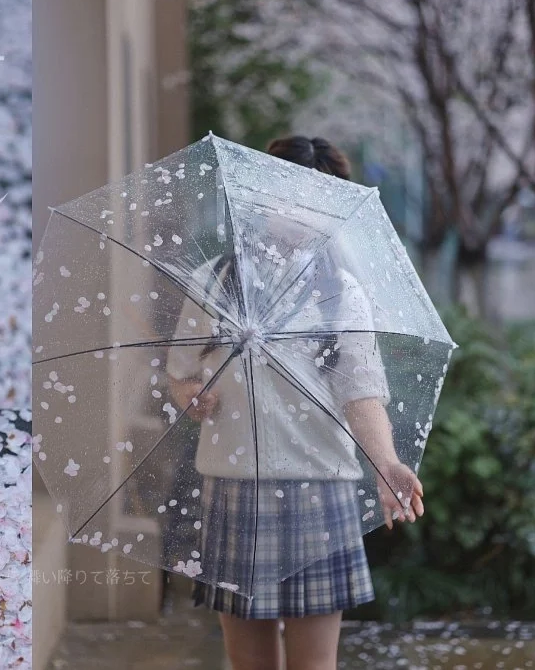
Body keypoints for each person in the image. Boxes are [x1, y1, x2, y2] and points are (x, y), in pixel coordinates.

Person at [166, 136, 424, 670]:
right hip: (233, 481)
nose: (300, 214)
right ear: (260, 196)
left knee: (314, 665)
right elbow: (181, 375)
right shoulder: (213, 279)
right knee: (249, 663)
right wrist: (193, 397)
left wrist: (387, 463)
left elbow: (362, 389)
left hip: (319, 483)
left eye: (316, 202)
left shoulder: (341, 290)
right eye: (288, 197)